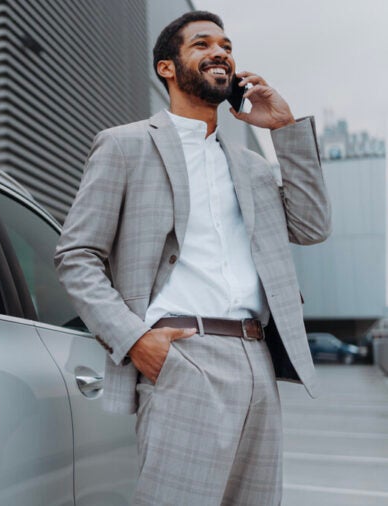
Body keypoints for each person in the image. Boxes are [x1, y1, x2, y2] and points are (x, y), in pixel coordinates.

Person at [54, 10, 330, 506]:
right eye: (202, 44)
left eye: (226, 45)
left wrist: (283, 129)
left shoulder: (251, 166)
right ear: (167, 67)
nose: (220, 52)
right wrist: (136, 340)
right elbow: (77, 255)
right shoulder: (125, 146)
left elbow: (311, 227)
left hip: (256, 360)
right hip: (183, 357)